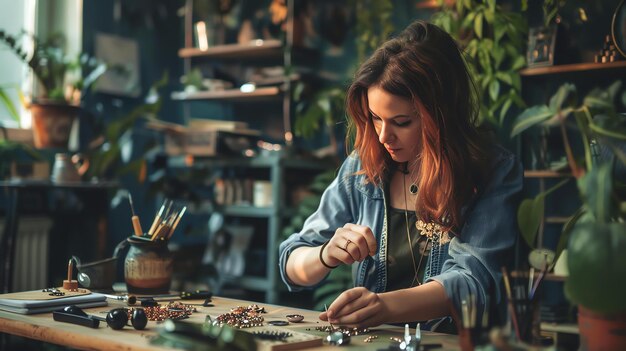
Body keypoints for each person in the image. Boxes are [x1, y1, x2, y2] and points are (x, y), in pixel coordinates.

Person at [278, 20, 522, 330]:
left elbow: (474, 283)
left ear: (441, 116)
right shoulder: (362, 167)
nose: (383, 137)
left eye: (402, 122)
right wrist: (325, 254)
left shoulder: (492, 171)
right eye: (376, 118)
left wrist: (382, 307)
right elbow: (290, 261)